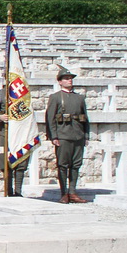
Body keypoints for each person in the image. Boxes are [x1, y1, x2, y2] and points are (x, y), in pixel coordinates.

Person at [45, 66, 90, 204]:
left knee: (76, 164)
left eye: (70, 78)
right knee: (63, 165)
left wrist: (86, 135)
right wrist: (54, 136)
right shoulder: (56, 97)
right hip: (63, 135)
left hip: (77, 135)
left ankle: (73, 192)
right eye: (66, 78)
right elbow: (50, 118)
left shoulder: (79, 98)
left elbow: (85, 117)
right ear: (60, 82)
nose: (69, 81)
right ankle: (64, 193)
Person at [0, 91, 26, 196]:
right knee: (6, 163)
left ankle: (18, 192)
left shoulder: (23, 93)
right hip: (6, 134)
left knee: (21, 162)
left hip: (20, 134)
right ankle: (8, 191)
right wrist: (0, 117)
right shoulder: (1, 94)